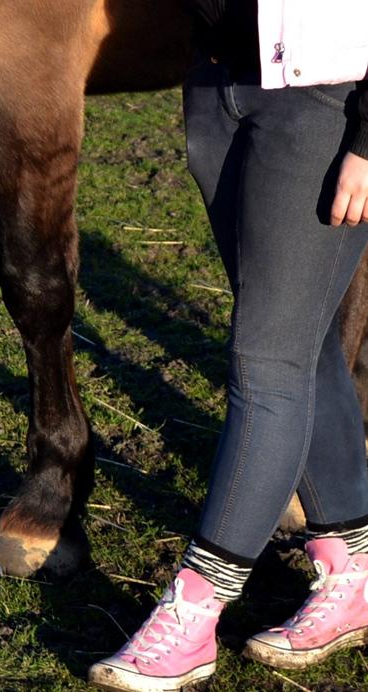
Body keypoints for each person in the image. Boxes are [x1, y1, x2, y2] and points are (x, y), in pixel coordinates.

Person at [88, 1, 368, 690]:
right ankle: (355, 572)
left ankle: (194, 607)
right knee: (297, 340)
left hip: (325, 99)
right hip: (218, 86)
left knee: (266, 366)